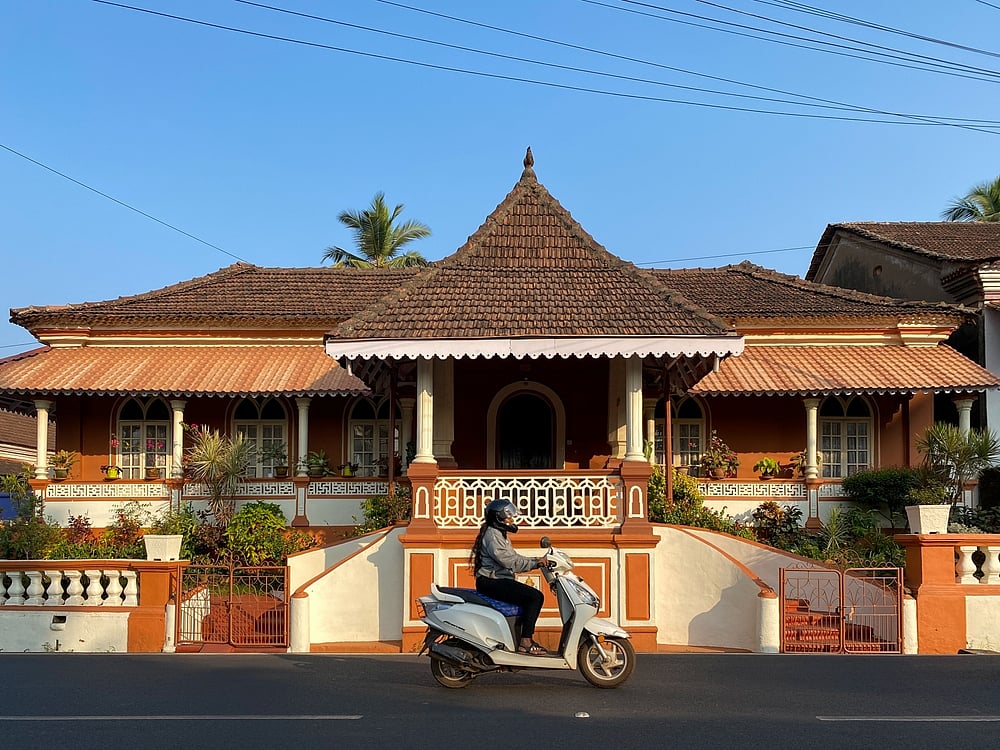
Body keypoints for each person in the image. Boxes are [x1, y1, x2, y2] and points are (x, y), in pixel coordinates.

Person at [470, 499, 549, 656]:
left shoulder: (499, 534)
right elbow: (508, 561)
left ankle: (518, 639)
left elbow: (513, 556)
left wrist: (536, 560)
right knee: (535, 597)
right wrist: (535, 563)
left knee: (528, 598)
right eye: (509, 517)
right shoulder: (493, 535)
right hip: (492, 581)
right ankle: (526, 641)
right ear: (499, 517)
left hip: (498, 580)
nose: (512, 520)